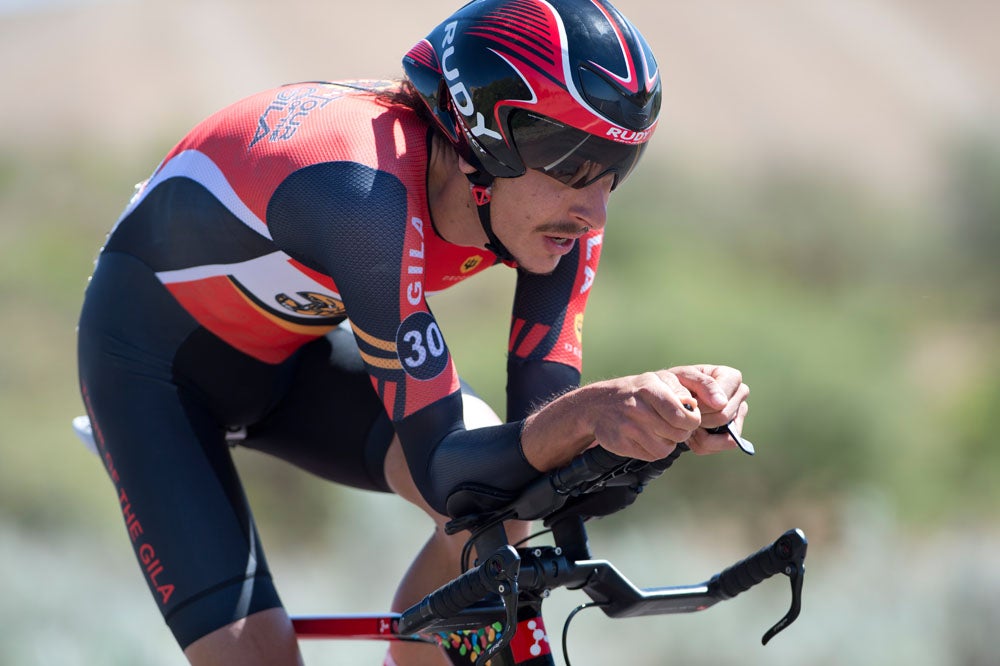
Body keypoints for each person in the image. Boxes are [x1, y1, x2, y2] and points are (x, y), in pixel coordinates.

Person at [75, 0, 750, 664]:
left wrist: (656, 425)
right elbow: (447, 473)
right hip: (154, 374)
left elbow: (544, 446)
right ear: (479, 148)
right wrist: (592, 415)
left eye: (615, 171)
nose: (595, 211)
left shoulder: (553, 213)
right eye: (573, 166)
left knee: (507, 515)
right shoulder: (359, 194)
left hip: (295, 353)